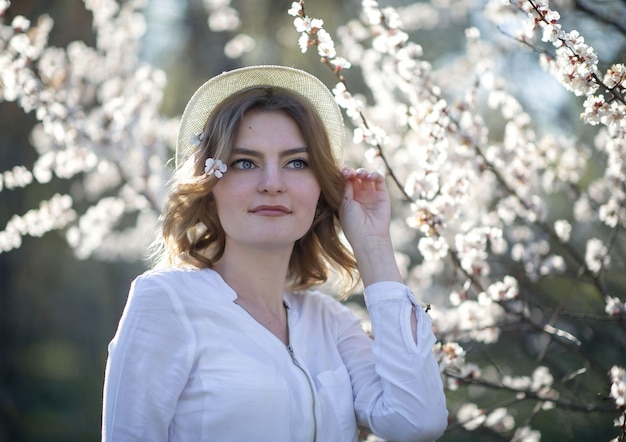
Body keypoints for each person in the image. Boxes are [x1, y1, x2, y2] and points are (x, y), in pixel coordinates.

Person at [101, 65, 448, 442]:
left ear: (320, 188)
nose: (272, 184)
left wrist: (374, 245)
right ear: (209, 184)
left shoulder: (330, 322)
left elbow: (418, 421)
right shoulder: (167, 301)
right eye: (244, 163)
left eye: (296, 163)